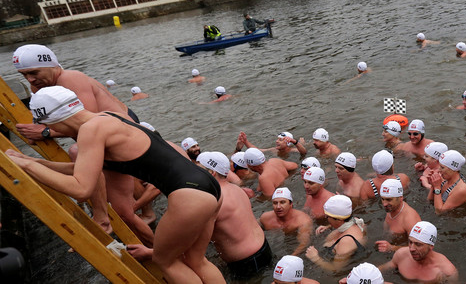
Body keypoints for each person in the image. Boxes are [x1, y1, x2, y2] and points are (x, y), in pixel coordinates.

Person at [8, 86, 225, 283]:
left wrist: (26, 167)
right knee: (197, 261)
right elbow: (85, 169)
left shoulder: (90, 130)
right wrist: (35, 162)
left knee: (166, 261)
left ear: (48, 122)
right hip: (207, 185)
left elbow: (81, 189)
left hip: (188, 194)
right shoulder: (110, 117)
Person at [196, 151, 271, 279]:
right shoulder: (236, 189)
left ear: (211, 173)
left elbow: (197, 240)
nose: (194, 173)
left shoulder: (214, 200)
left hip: (247, 261)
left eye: (198, 169)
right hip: (263, 247)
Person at [378, 221, 458, 283]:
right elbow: (383, 269)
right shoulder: (401, 255)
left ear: (431, 246)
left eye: (418, 244)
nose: (411, 249)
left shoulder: (446, 271)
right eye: (410, 242)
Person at [305, 195, 367, 272]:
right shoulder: (355, 220)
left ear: (338, 220)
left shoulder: (346, 242)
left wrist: (316, 258)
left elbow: (336, 269)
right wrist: (328, 226)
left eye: (327, 216)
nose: (325, 217)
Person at [258, 187, 314, 255]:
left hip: (292, 243)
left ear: (291, 204)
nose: (278, 207)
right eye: (275, 203)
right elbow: (252, 229)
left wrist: (290, 257)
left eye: (282, 202)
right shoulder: (265, 218)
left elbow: (304, 244)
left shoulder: (303, 221)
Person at [375, 178, 422, 253]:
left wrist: (392, 248)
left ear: (400, 198)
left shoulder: (409, 218)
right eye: (382, 199)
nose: (384, 204)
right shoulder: (391, 208)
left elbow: (419, 247)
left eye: (388, 199)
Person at [238, 130, 307, 158]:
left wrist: (295, 142)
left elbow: (304, 152)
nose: (277, 141)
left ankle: (302, 143)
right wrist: (245, 141)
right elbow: (258, 150)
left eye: (280, 140)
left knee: (303, 146)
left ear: (288, 143)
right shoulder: (274, 150)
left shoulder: (292, 150)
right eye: (277, 139)